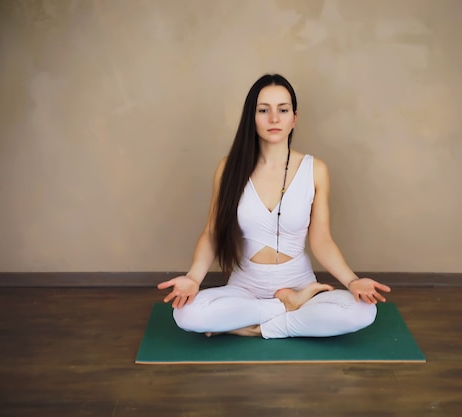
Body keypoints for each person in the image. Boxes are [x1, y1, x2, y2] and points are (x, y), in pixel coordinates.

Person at [157, 73, 391, 339]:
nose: (274, 119)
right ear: (251, 117)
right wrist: (193, 278)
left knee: (362, 311)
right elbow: (212, 232)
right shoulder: (228, 168)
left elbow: (322, 239)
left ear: (294, 118)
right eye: (263, 110)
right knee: (187, 314)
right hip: (245, 287)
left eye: (283, 110)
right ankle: (285, 306)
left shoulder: (315, 170)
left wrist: (352, 280)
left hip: (300, 282)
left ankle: (252, 328)